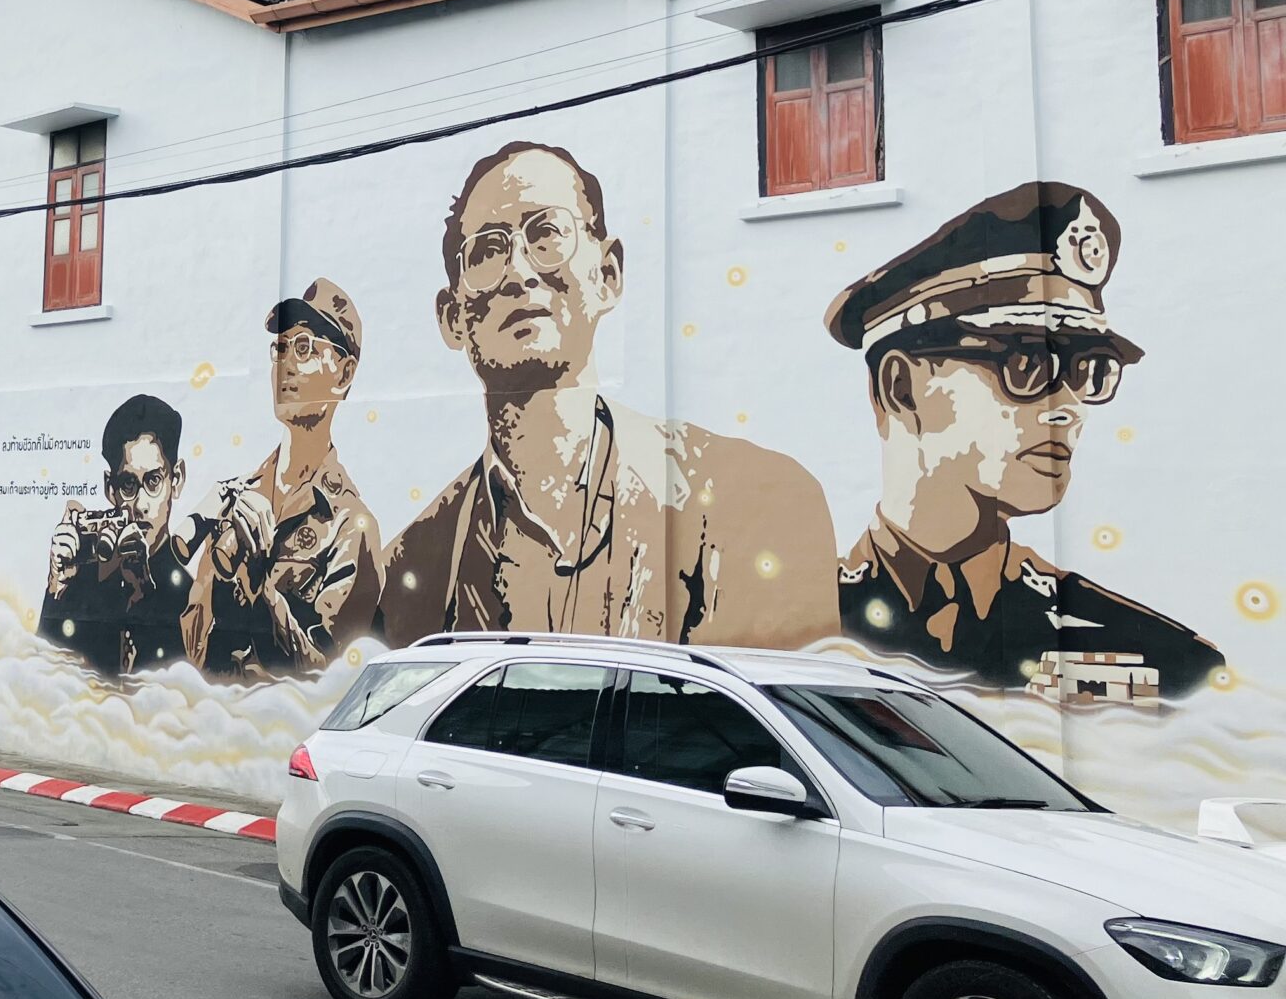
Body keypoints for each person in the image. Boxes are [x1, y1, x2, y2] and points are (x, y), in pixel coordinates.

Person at [379, 140, 840, 648]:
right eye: (488, 251)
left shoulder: (753, 503)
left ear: (608, 274)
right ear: (452, 318)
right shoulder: (412, 564)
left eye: (547, 234)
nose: (519, 271)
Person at [828, 181, 1222, 694]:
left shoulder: (1167, 662)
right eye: (1027, 364)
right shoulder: (807, 619)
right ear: (900, 386)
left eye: (1089, 370)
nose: (1068, 409)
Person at [197, 280, 384, 676]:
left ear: (345, 374)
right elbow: (189, 641)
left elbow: (325, 673)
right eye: (280, 349)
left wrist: (258, 581)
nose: (286, 364)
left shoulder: (350, 527)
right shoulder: (237, 497)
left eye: (303, 347)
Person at [39, 395, 205, 677]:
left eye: (153, 481)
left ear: (176, 480)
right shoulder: (82, 582)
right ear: (110, 488)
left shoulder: (194, 599)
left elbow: (183, 693)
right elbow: (44, 680)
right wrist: (57, 589)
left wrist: (145, 594)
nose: (140, 504)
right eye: (128, 484)